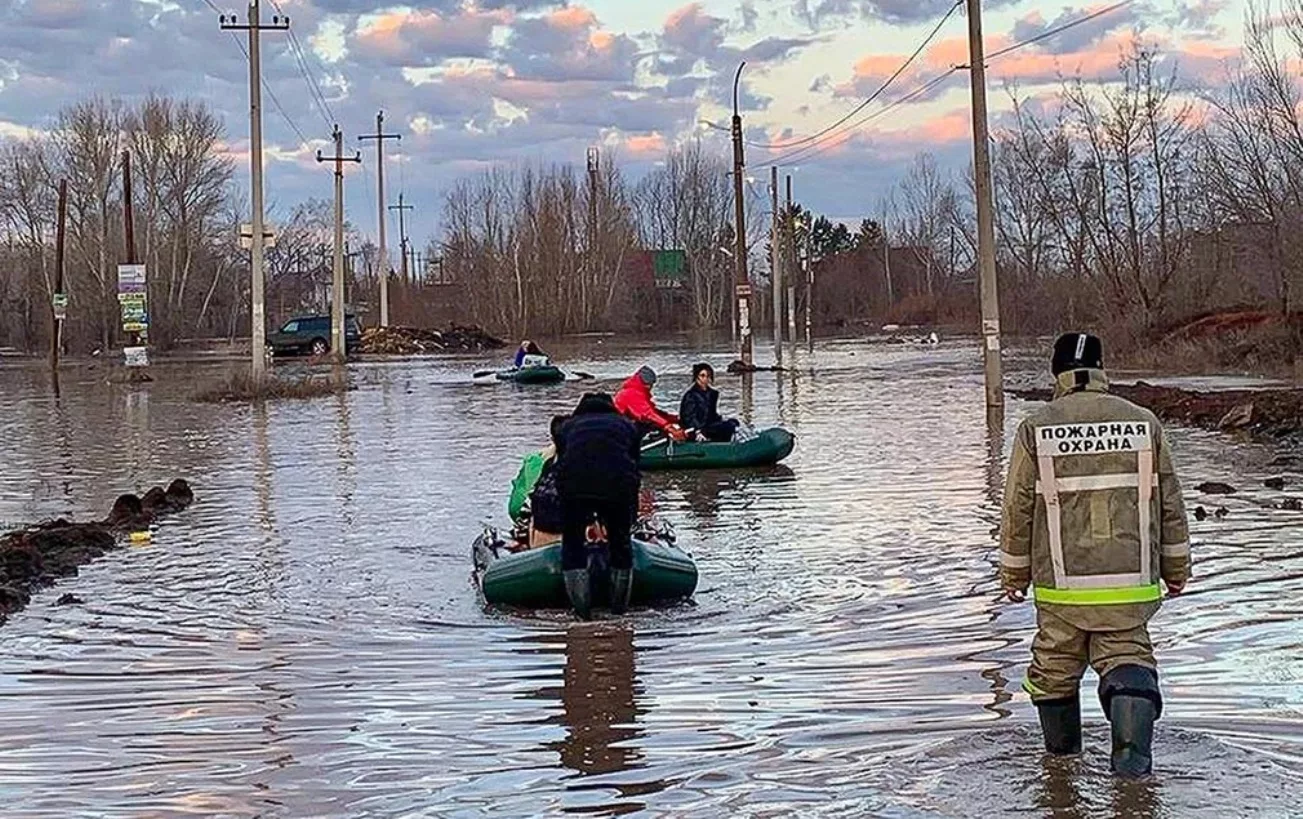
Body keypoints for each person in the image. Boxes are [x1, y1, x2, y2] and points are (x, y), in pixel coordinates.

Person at [999, 332, 1191, 778]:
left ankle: (1062, 774)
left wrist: (1013, 575)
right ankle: (1132, 776)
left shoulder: (1037, 428)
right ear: (1103, 370)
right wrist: (1176, 569)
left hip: (1062, 590)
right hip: (1130, 585)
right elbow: (1171, 506)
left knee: (1053, 673)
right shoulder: (1144, 423)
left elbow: (1017, 508)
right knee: (1130, 663)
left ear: (1057, 373)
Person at [554, 392, 642, 619]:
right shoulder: (627, 426)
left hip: (575, 488)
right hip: (617, 486)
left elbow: (563, 460)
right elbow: (634, 465)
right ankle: (618, 612)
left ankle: (583, 614)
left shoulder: (567, 427)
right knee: (621, 544)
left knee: (572, 544)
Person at [508, 414, 568, 548]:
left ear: (552, 438)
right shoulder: (589, 466)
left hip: (539, 537)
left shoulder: (536, 462)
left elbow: (515, 508)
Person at [613, 366, 686, 441]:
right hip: (622, 429)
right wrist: (668, 427)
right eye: (647, 384)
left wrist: (674, 419)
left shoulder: (639, 393)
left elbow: (654, 412)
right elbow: (648, 414)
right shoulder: (631, 393)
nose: (649, 387)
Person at [678, 362, 739, 442]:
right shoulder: (690, 396)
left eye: (708, 376)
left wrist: (721, 419)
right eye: (702, 376)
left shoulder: (712, 394)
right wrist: (697, 430)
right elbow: (688, 417)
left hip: (709, 426)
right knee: (727, 426)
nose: (705, 379)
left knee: (733, 422)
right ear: (696, 377)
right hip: (697, 428)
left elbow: (712, 414)